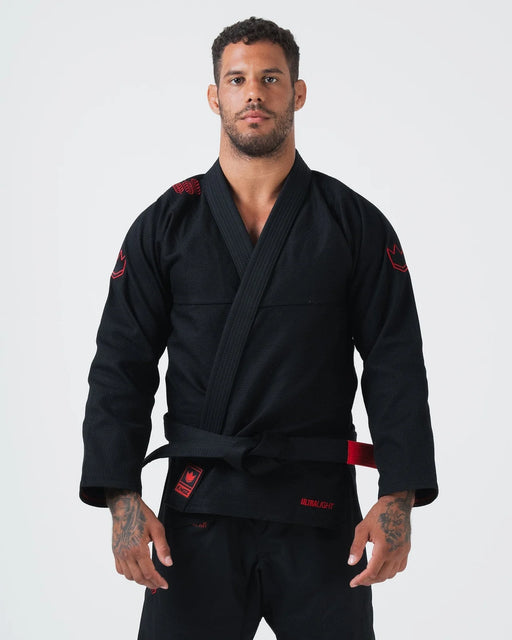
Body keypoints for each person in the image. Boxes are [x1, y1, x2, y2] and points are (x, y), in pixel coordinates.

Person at [80, 16, 437, 640]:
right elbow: (121, 364)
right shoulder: (166, 224)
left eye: (270, 79)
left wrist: (399, 495)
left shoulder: (352, 222)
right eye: (237, 79)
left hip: (321, 511)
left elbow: (395, 361)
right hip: (198, 510)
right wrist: (120, 495)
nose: (254, 94)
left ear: (297, 92)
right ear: (214, 95)